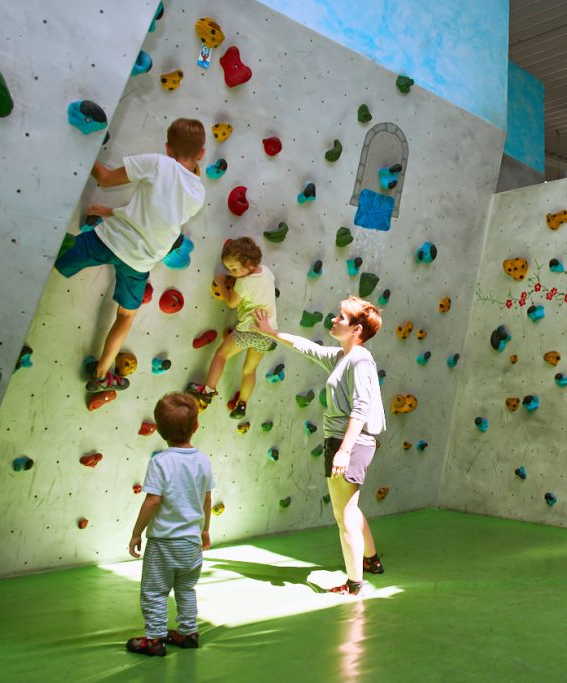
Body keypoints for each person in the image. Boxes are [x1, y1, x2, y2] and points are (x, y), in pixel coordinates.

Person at [55, 118, 206, 392]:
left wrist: (78, 143)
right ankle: (101, 374)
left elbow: (104, 178)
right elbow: (157, 215)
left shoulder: (160, 162)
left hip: (110, 239)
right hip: (142, 259)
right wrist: (112, 212)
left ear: (168, 148)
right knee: (126, 316)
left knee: (57, 260)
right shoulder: (198, 194)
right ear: (202, 154)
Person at [253, 297, 386, 594]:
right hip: (344, 441)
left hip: (349, 442)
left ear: (356, 329)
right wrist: (269, 331)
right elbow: (306, 347)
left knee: (343, 516)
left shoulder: (360, 360)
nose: (334, 320)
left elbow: (361, 408)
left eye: (341, 317)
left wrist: (344, 450)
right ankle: (371, 560)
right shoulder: (342, 356)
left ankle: (354, 584)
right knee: (349, 508)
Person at [126, 392, 215, 656]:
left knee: (154, 592)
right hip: (191, 544)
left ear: (160, 431)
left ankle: (154, 639)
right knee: (186, 589)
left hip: (164, 544)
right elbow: (207, 499)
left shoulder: (160, 462)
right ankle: (188, 633)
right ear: (196, 427)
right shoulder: (203, 460)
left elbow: (153, 501)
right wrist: (205, 530)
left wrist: (136, 533)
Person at [187, 237, 276, 418]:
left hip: (249, 330)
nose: (231, 273)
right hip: (268, 332)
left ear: (248, 264)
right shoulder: (266, 272)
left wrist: (221, 281)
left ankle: (207, 391)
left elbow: (231, 302)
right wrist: (233, 276)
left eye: (233, 269)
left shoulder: (244, 283)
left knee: (221, 355)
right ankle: (242, 404)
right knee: (249, 370)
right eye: (229, 270)